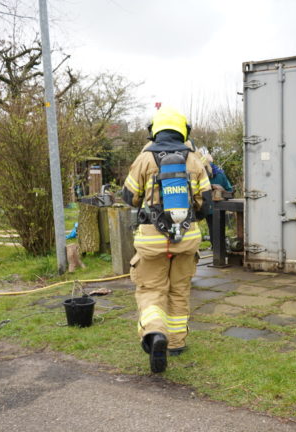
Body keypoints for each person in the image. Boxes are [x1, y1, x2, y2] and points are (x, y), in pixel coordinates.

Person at [122, 106, 211, 373]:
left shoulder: (144, 159)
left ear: (154, 131)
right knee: (179, 290)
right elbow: (206, 205)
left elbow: (129, 197)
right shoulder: (195, 160)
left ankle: (154, 332)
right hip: (186, 239)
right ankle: (176, 342)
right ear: (184, 131)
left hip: (151, 240)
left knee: (151, 290)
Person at [204, 153, 234, 250]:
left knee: (219, 228)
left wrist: (221, 190)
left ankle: (220, 248)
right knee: (212, 228)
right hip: (207, 208)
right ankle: (216, 248)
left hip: (219, 207)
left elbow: (230, 192)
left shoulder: (220, 175)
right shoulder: (201, 174)